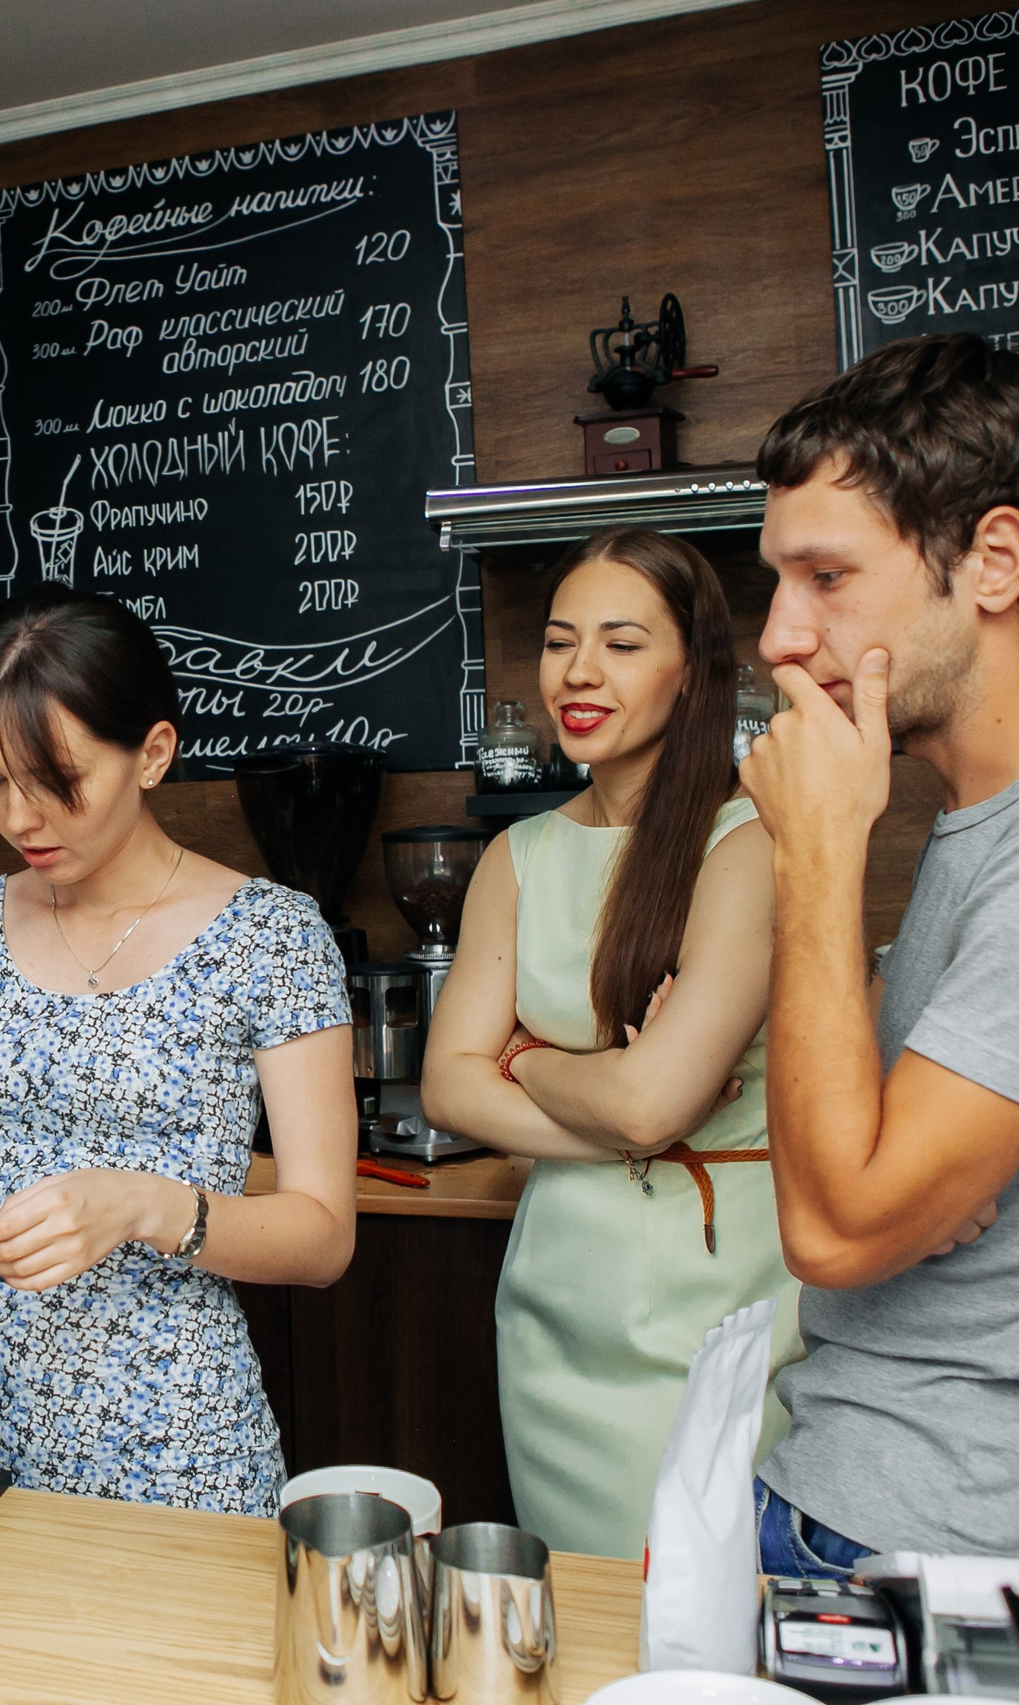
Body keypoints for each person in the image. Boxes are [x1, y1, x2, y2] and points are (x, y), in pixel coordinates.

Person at [0, 582, 356, 1515]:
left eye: (55, 780)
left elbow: (323, 1235)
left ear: (152, 754)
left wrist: (140, 1204)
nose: (19, 818)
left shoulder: (271, 936)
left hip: (180, 1438)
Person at [421, 527, 801, 1561]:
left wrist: (526, 1060)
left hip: (712, 1300)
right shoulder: (519, 854)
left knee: (697, 1599)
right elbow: (447, 1086)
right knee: (578, 1612)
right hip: (555, 1303)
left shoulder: (747, 846)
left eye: (622, 644)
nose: (578, 672)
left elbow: (644, 1103)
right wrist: (627, 1102)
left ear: (693, 672)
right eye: (559, 641)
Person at [742, 333, 1019, 1571]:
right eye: (777, 581)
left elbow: (836, 1228)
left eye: (826, 577)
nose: (777, 636)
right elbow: (852, 1157)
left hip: (937, 1547)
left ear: (993, 562)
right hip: (856, 1498)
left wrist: (812, 852)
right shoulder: (969, 828)